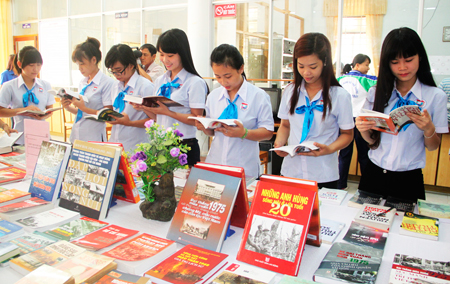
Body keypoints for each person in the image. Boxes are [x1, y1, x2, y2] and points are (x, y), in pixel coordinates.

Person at [355, 27, 448, 201]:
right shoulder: (376, 93)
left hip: (408, 179)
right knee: (363, 227)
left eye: (409, 59)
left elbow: (433, 146)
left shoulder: (435, 96)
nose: (403, 67)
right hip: (373, 173)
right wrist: (362, 130)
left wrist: (428, 128)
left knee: (404, 228)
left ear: (420, 57)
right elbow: (372, 142)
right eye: (395, 62)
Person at [273, 33, 354, 189]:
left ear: (325, 62)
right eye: (301, 66)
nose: (306, 72)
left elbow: (347, 134)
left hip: (323, 173)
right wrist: (280, 143)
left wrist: (329, 149)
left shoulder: (339, 96)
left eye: (313, 66)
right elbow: (285, 125)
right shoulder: (290, 91)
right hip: (292, 171)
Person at [195, 44, 273, 178]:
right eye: (218, 77)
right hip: (215, 164)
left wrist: (244, 133)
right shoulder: (214, 96)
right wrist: (204, 127)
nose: (223, 81)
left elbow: (268, 132)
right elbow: (212, 132)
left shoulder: (258, 96)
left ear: (241, 68)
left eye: (228, 76)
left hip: (244, 167)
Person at [136, 28, 208, 166]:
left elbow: (196, 120)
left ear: (182, 53)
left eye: (170, 55)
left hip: (184, 146)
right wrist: (144, 107)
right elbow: (158, 118)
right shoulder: (160, 80)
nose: (165, 60)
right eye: (162, 55)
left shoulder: (194, 82)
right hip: (161, 145)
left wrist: (168, 112)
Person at [61, 37, 115, 143]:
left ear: (94, 60)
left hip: (93, 137)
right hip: (77, 134)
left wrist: (83, 108)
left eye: (82, 64)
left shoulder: (107, 82)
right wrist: (68, 107)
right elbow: (82, 112)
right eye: (78, 64)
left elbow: (107, 115)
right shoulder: (83, 82)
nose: (80, 68)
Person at [0, 46, 56, 144]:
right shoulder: (9, 86)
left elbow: (49, 110)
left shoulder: (45, 85)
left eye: (38, 65)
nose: (35, 69)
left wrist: (43, 116)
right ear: (19, 64)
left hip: (42, 137)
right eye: (31, 65)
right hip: (20, 137)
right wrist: (21, 111)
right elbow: (1, 111)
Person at [104, 44, 154, 153]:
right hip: (115, 145)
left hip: (136, 148)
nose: (116, 74)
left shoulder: (145, 86)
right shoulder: (115, 86)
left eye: (119, 70)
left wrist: (129, 123)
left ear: (131, 65)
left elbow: (155, 120)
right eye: (112, 71)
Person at [337, 54, 377, 189]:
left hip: (343, 120)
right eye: (366, 65)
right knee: (364, 155)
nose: (368, 68)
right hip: (361, 121)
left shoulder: (339, 79)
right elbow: (382, 83)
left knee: (344, 154)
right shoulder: (367, 80)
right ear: (358, 65)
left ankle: (341, 184)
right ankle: (366, 186)